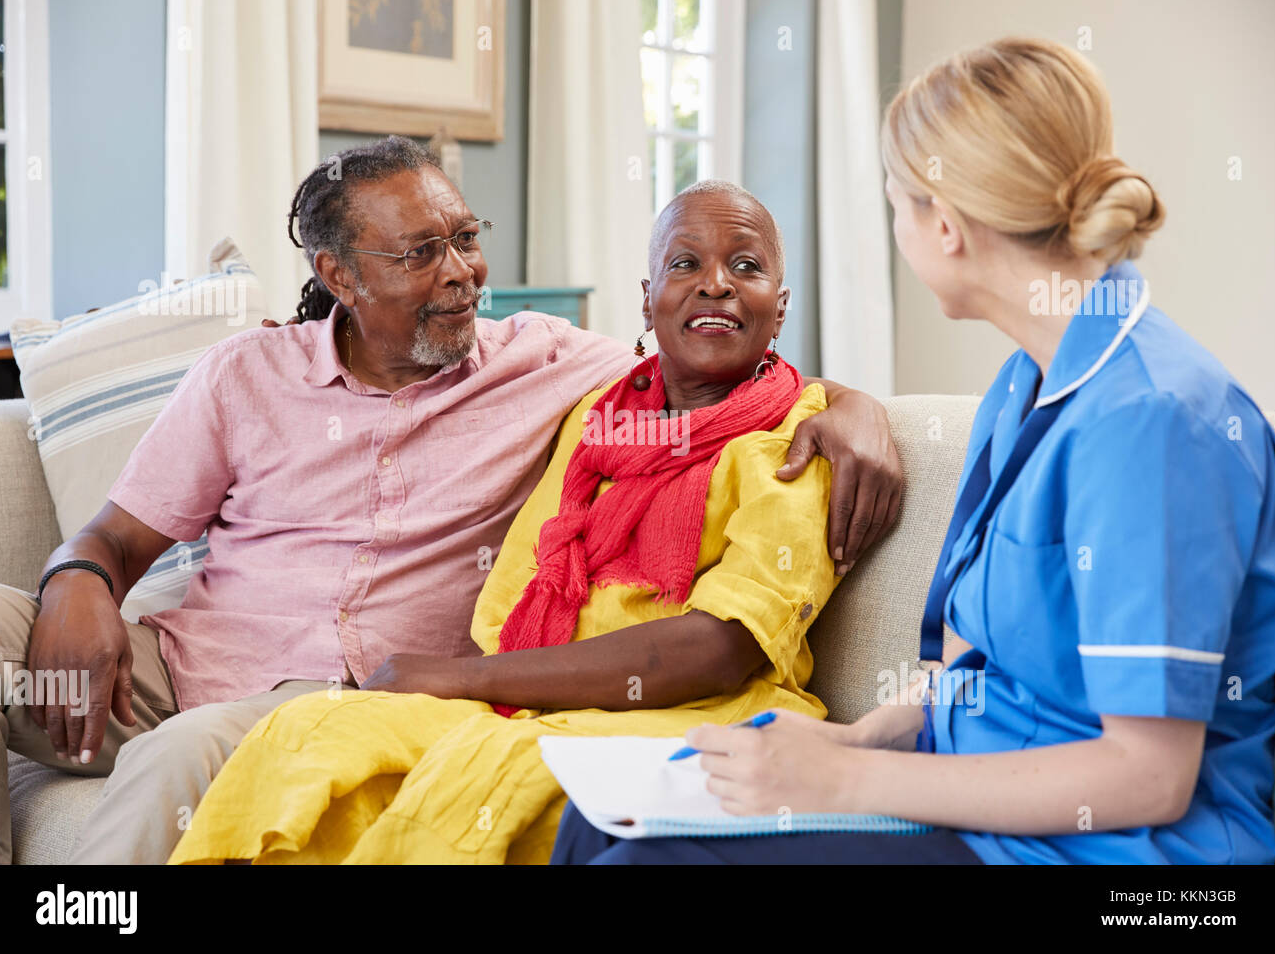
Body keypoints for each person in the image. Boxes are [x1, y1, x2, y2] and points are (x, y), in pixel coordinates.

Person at [0, 138, 904, 865]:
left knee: (177, 757)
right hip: (173, 667)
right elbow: (114, 538)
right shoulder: (244, 374)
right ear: (340, 276)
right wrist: (77, 579)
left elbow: (714, 357)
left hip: (334, 696)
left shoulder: (548, 363)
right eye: (421, 254)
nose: (461, 271)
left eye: (466, 239)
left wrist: (856, 406)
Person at [551, 36, 1275, 865]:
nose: (895, 224)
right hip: (971, 797)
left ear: (946, 225)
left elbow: (1147, 779)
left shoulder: (1151, 424)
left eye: (896, 201)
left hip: (1113, 857)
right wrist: (854, 741)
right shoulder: (1025, 385)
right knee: (599, 823)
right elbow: (974, 675)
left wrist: (846, 785)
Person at [167, 180, 843, 864]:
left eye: (747, 267)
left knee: (476, 780)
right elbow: (510, 601)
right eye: (685, 264)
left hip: (689, 714)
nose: (716, 286)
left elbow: (723, 650)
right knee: (310, 733)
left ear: (780, 308)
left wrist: (460, 679)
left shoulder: (797, 441)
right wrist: (484, 684)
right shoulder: (598, 416)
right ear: (646, 298)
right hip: (533, 695)